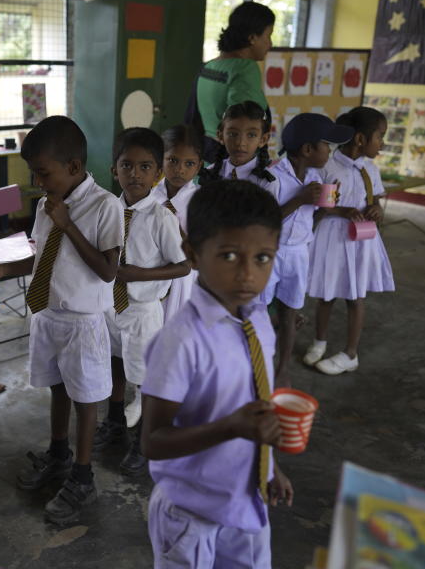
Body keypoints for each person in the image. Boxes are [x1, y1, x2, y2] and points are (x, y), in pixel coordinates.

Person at [142, 179, 293, 568]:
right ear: (192, 253)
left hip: (247, 495)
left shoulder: (258, 321)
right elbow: (154, 442)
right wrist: (231, 428)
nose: (248, 275)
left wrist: (269, 467)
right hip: (190, 515)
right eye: (229, 256)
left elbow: (253, 407)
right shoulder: (181, 340)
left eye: (263, 258)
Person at [0, 116, 122, 525]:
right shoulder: (49, 205)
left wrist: (68, 224)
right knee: (58, 388)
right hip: (48, 315)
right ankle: (59, 454)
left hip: (82, 323)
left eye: (43, 173)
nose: (38, 181)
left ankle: (83, 476)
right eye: (35, 174)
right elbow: (44, 253)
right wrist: (2, 270)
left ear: (74, 168)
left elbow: (108, 271)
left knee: (85, 399)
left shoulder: (105, 206)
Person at [93, 128, 188, 475]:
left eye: (145, 167)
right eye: (127, 165)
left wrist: (139, 275)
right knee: (116, 365)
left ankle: (145, 442)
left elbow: (183, 266)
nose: (135, 174)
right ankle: (115, 421)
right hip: (109, 307)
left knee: (145, 380)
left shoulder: (162, 217)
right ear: (112, 169)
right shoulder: (107, 209)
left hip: (144, 312)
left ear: (158, 173)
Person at [255, 113, 353, 385]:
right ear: (308, 150)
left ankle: (282, 369)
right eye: (328, 147)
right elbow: (263, 224)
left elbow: (311, 224)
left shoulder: (314, 177)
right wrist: (299, 200)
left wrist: (323, 207)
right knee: (258, 313)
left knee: (290, 313)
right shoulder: (273, 179)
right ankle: (255, 367)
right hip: (269, 254)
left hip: (298, 254)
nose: (330, 153)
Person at [304, 107, 395, 375]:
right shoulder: (328, 166)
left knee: (356, 297)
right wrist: (340, 210)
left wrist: (376, 209)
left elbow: (375, 201)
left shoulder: (371, 170)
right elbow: (319, 207)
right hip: (333, 237)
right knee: (326, 293)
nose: (382, 144)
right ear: (359, 139)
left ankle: (350, 354)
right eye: (379, 137)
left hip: (361, 240)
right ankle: (319, 343)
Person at [194, 2, 275, 165]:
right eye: (268, 36)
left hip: (206, 155)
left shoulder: (210, 66)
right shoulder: (245, 68)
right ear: (252, 38)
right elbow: (245, 123)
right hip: (232, 160)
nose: (270, 44)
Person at [151, 125, 202, 322]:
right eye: (172, 160)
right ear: (160, 159)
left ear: (198, 166)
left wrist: (172, 225)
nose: (180, 169)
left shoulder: (200, 201)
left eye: (189, 164)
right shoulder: (151, 196)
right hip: (152, 271)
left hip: (183, 280)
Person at [201, 101, 276, 186]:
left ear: (263, 139)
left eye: (251, 135)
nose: (240, 143)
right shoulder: (209, 173)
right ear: (221, 136)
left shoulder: (266, 180)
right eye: (232, 134)